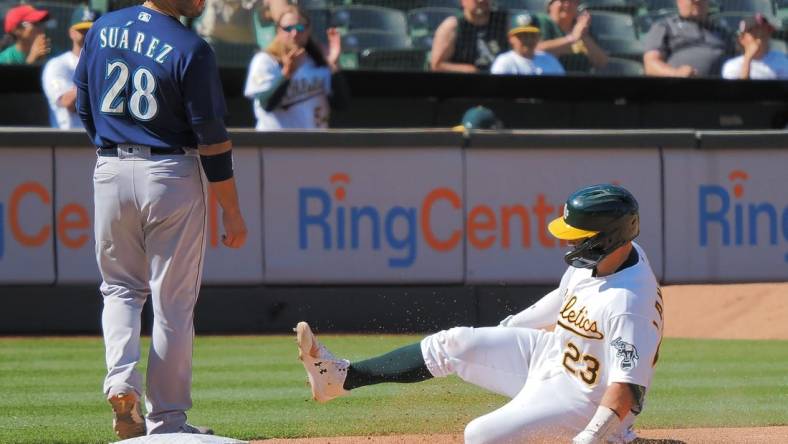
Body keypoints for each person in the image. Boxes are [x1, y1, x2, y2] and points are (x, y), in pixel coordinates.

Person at [296, 183, 663, 444]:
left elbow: (627, 388)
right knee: (455, 342)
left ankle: (617, 439)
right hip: (554, 355)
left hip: (583, 397)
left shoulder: (628, 304)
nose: (568, 240)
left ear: (607, 237)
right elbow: (565, 295)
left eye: (577, 233)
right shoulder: (610, 258)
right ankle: (341, 378)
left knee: (480, 435)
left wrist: (590, 437)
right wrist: (509, 330)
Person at [73, 0, 248, 438]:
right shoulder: (191, 47)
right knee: (172, 302)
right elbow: (212, 140)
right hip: (169, 173)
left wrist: (113, 147)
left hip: (110, 167)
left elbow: (84, 107)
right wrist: (231, 208)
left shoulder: (102, 29)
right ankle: (167, 421)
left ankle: (120, 383)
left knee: (119, 289)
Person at [243, 5, 348, 130]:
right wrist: (287, 75)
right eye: (288, 28)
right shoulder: (266, 60)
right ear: (278, 30)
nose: (294, 33)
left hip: (315, 143)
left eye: (299, 27)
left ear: (308, 30)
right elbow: (266, 105)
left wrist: (333, 65)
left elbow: (342, 104)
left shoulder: (318, 60)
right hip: (274, 143)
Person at [41, 6, 99, 129]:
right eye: (82, 30)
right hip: (68, 141)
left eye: (92, 30)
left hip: (101, 141)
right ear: (71, 32)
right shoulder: (57, 65)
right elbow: (68, 102)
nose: (87, 34)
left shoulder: (107, 64)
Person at [642, 0, 732, 77]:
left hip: (723, 91)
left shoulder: (722, 31)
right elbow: (650, 65)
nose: (697, 0)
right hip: (679, 91)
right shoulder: (665, 27)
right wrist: (675, 73)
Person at [430, 0, 509, 73]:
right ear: (462, 1)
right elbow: (437, 65)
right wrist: (470, 71)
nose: (480, 0)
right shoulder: (453, 27)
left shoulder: (504, 23)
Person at [535, 0, 607, 73]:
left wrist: (583, 36)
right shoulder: (542, 22)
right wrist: (573, 38)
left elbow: (601, 62)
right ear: (550, 5)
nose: (567, 4)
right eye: (562, 1)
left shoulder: (583, 28)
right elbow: (536, 50)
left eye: (572, 1)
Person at [491, 12, 565, 76]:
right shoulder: (504, 62)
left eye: (532, 35)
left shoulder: (550, 60)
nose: (528, 40)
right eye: (522, 36)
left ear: (538, 37)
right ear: (511, 38)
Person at [722, 14, 788, 80]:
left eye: (763, 34)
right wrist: (747, 60)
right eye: (755, 35)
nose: (760, 40)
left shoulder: (781, 59)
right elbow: (739, 89)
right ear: (742, 40)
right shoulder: (732, 66)